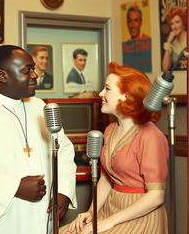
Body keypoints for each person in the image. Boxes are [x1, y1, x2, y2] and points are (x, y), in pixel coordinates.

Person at [0, 45, 77, 234]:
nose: (35, 75)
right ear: (2, 76)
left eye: (34, 69)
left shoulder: (40, 107)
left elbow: (63, 150)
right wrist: (16, 186)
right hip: (4, 220)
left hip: (44, 213)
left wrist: (63, 191)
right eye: (27, 70)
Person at [60, 61, 169, 234]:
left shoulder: (151, 136)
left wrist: (109, 222)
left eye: (107, 89)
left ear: (126, 96)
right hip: (111, 209)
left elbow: (156, 196)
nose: (101, 93)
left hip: (140, 216)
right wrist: (91, 213)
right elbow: (106, 179)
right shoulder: (110, 130)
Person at [162, 7, 187, 71]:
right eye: (172, 24)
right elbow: (165, 68)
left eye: (177, 22)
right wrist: (169, 42)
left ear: (183, 23)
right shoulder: (172, 44)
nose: (174, 26)